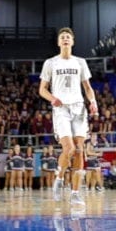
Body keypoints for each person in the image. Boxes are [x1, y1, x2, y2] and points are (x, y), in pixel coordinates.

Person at [39, 27, 98, 207]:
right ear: (58, 42)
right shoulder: (50, 63)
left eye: (68, 37)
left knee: (80, 149)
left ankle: (75, 193)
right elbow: (42, 89)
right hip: (61, 109)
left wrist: (93, 101)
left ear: (72, 42)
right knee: (69, 149)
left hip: (79, 108)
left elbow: (87, 88)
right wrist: (52, 98)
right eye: (62, 37)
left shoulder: (80, 62)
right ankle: (59, 177)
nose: (65, 39)